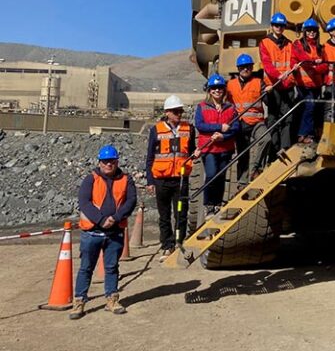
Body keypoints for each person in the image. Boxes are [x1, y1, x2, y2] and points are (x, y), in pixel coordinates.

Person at [70, 145, 137, 320]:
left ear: (117, 162)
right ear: (99, 162)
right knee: (86, 268)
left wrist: (115, 218)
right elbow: (84, 202)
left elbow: (130, 201)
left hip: (114, 233)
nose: (108, 164)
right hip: (92, 233)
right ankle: (79, 302)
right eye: (105, 161)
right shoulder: (90, 179)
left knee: (112, 268)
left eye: (112, 161)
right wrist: (101, 220)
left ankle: (112, 300)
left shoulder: (126, 179)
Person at [145, 95, 199, 262]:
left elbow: (190, 151)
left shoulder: (188, 129)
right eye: (176, 111)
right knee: (164, 215)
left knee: (181, 213)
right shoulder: (156, 130)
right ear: (167, 112)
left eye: (180, 111)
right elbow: (150, 157)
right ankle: (167, 245)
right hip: (162, 179)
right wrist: (150, 181)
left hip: (181, 180)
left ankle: (179, 242)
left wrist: (195, 154)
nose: (179, 114)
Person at [194, 74, 239, 219]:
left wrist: (223, 136)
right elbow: (200, 125)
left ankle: (218, 205)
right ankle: (209, 205)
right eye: (214, 88)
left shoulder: (231, 108)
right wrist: (219, 127)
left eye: (220, 88)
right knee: (212, 175)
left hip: (225, 148)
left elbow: (235, 127)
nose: (217, 91)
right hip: (209, 148)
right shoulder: (201, 107)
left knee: (221, 177)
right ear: (209, 90)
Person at [227, 54, 269, 182]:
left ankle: (256, 169)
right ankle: (241, 183)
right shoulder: (230, 84)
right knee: (242, 155)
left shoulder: (259, 82)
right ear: (238, 68)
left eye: (249, 67)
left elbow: (268, 100)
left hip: (257, 122)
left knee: (266, 139)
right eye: (243, 67)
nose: (246, 69)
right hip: (240, 124)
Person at [259, 12, 295, 150]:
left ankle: (285, 147)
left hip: (287, 86)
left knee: (287, 117)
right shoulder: (264, 43)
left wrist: (290, 74)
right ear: (272, 26)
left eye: (281, 25)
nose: (279, 28)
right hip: (273, 86)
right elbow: (267, 64)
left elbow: (292, 62)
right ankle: (274, 149)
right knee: (273, 117)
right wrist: (278, 76)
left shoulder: (289, 44)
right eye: (276, 25)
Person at [291, 18, 327, 143]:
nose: (311, 33)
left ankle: (309, 134)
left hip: (316, 84)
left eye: (314, 30)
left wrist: (316, 68)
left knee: (313, 109)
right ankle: (303, 134)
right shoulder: (298, 44)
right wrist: (314, 63)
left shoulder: (320, 48)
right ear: (304, 31)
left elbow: (325, 65)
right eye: (309, 30)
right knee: (308, 107)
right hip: (303, 83)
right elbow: (302, 59)